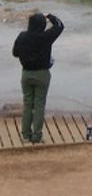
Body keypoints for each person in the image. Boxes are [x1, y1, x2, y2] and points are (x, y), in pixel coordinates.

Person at [12, 11, 64, 144]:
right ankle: (37, 135)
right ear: (42, 25)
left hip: (26, 74)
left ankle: (25, 135)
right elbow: (60, 26)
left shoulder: (22, 36)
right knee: (39, 104)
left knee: (27, 103)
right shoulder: (46, 36)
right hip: (42, 74)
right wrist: (50, 16)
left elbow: (15, 53)